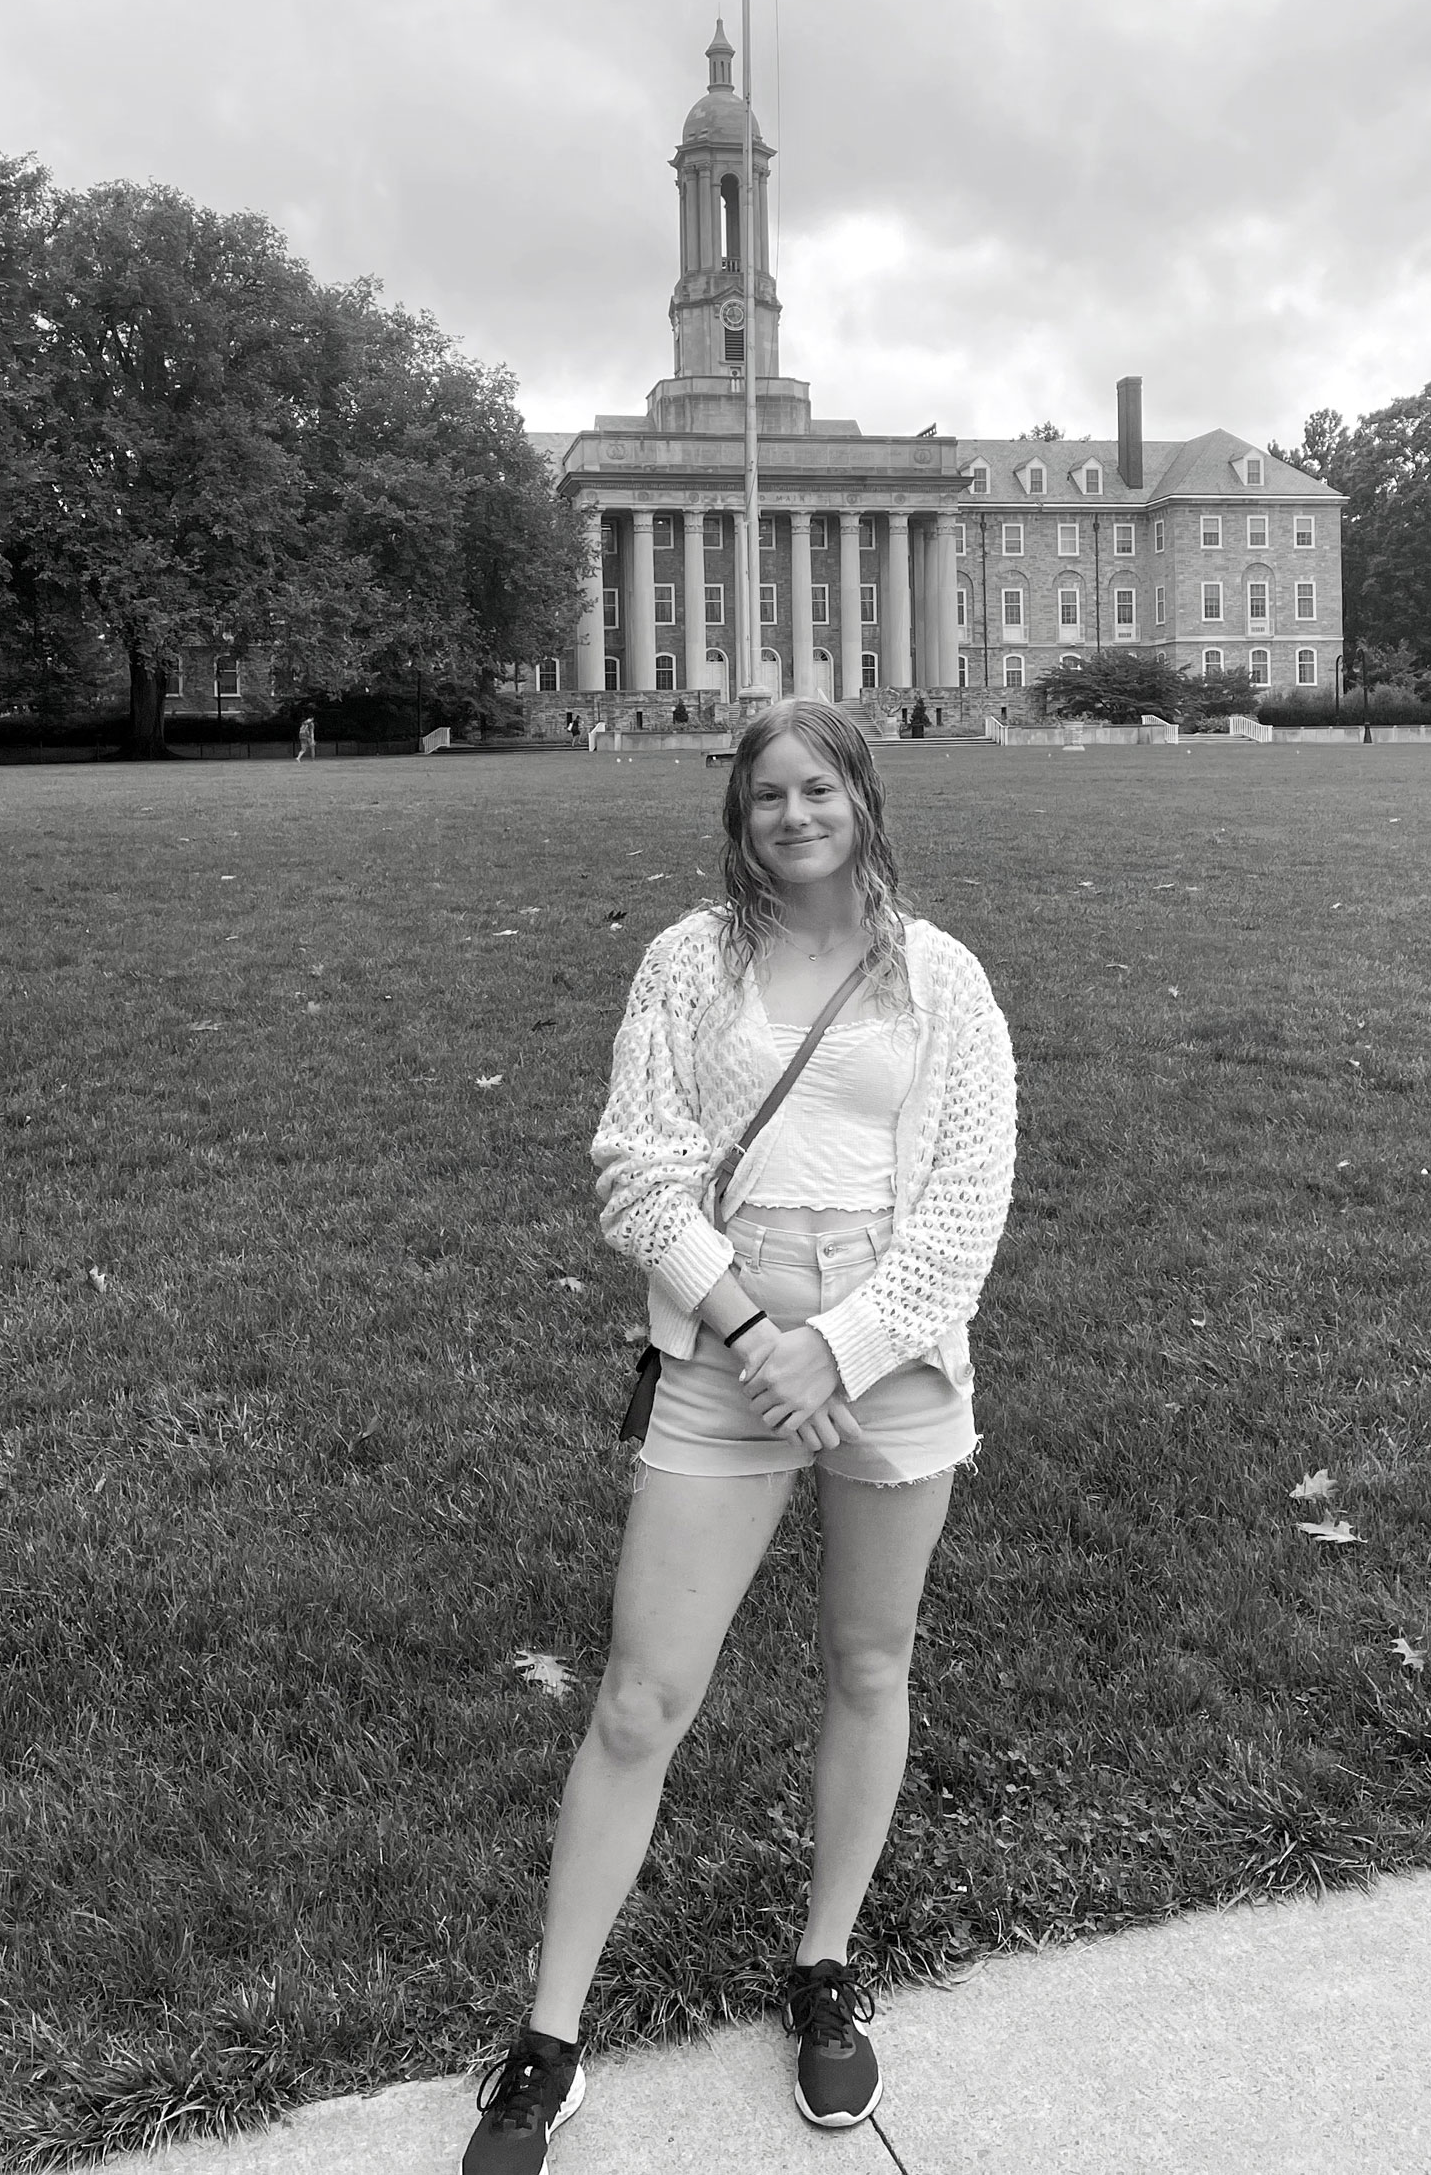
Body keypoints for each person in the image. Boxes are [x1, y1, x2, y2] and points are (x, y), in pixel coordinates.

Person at [463, 700, 1017, 2174]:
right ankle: (550, 2035)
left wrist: (838, 1348)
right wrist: (761, 1337)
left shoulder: (942, 978)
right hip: (724, 1350)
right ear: (738, 813)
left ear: (861, 795)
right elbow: (638, 1174)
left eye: (816, 784)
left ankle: (822, 1963)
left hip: (892, 1355)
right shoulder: (685, 963)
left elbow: (966, 1205)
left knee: (868, 1661)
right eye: (765, 790)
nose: (791, 812)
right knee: (641, 1695)